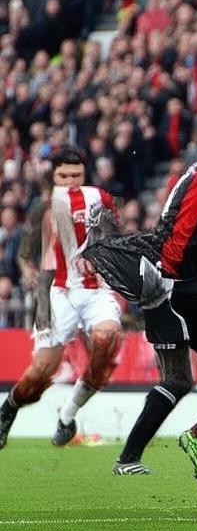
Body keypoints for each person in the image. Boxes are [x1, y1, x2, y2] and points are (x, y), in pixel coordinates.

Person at [83, 101, 197, 474]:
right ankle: (170, 447)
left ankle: (176, 444)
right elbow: (184, 233)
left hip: (187, 283)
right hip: (174, 284)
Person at [0, 147, 122, 448]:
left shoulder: (100, 197)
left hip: (96, 290)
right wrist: (27, 268)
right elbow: (25, 250)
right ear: (53, 176)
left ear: (85, 174)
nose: (70, 181)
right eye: (63, 176)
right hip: (60, 292)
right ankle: (9, 408)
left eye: (76, 175)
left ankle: (67, 416)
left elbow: (115, 234)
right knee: (41, 372)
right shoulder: (44, 206)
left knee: (108, 337)